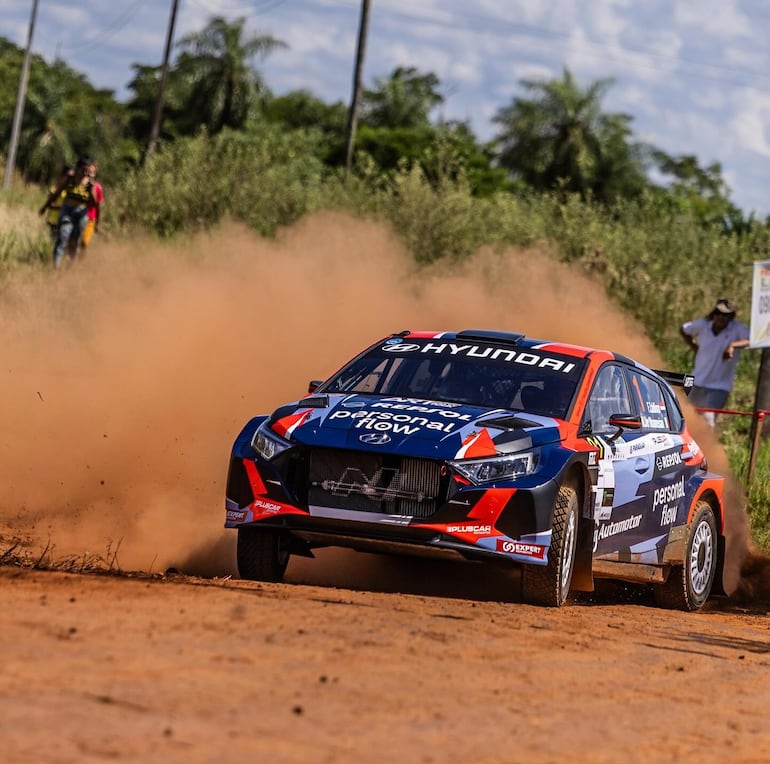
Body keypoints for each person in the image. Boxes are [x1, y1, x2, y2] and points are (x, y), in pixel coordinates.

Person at [680, 298, 750, 427]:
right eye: (718, 313)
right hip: (697, 382)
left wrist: (732, 345)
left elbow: (751, 340)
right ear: (713, 314)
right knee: (685, 417)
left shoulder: (736, 329)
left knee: (708, 419)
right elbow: (684, 329)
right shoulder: (703, 325)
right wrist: (693, 346)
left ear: (730, 317)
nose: (721, 317)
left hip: (719, 386)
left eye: (725, 315)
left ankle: (708, 446)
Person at [39, 156, 96, 268]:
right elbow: (56, 194)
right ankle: (56, 266)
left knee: (74, 241)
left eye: (87, 170)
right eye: (84, 169)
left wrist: (90, 189)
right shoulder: (70, 179)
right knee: (62, 236)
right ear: (78, 168)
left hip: (81, 214)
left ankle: (70, 266)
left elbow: (93, 203)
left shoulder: (89, 184)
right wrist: (45, 207)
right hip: (67, 212)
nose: (85, 172)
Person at [79, 160, 103, 257]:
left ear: (94, 174)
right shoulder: (80, 184)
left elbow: (98, 206)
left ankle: (80, 261)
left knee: (84, 242)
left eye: (92, 173)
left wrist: (97, 222)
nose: (89, 174)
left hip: (90, 219)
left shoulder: (97, 188)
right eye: (88, 172)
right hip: (79, 216)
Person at [43, 164, 72, 242]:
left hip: (66, 222)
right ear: (63, 176)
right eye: (68, 176)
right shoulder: (55, 188)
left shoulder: (71, 190)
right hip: (53, 221)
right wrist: (64, 206)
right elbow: (50, 204)